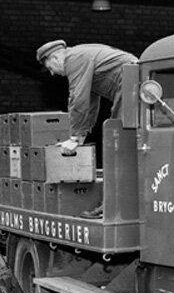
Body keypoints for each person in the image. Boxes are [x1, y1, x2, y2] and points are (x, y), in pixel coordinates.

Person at [36, 39, 138, 218]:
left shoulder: (74, 59)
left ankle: (112, 207)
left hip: (130, 85)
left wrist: (74, 138)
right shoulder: (83, 56)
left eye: (50, 67)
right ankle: (119, 205)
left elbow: (78, 98)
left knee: (117, 145)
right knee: (123, 143)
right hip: (133, 82)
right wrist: (81, 135)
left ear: (55, 57)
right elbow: (91, 102)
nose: (52, 73)